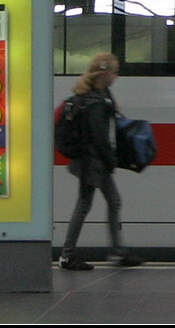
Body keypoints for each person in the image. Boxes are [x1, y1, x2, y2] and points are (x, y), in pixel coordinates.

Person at [58, 53, 142, 270]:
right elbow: (99, 137)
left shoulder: (101, 95)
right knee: (85, 204)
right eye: (114, 72)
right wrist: (110, 160)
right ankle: (68, 255)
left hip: (94, 160)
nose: (116, 76)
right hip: (92, 161)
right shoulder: (95, 102)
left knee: (112, 201)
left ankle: (117, 252)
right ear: (104, 73)